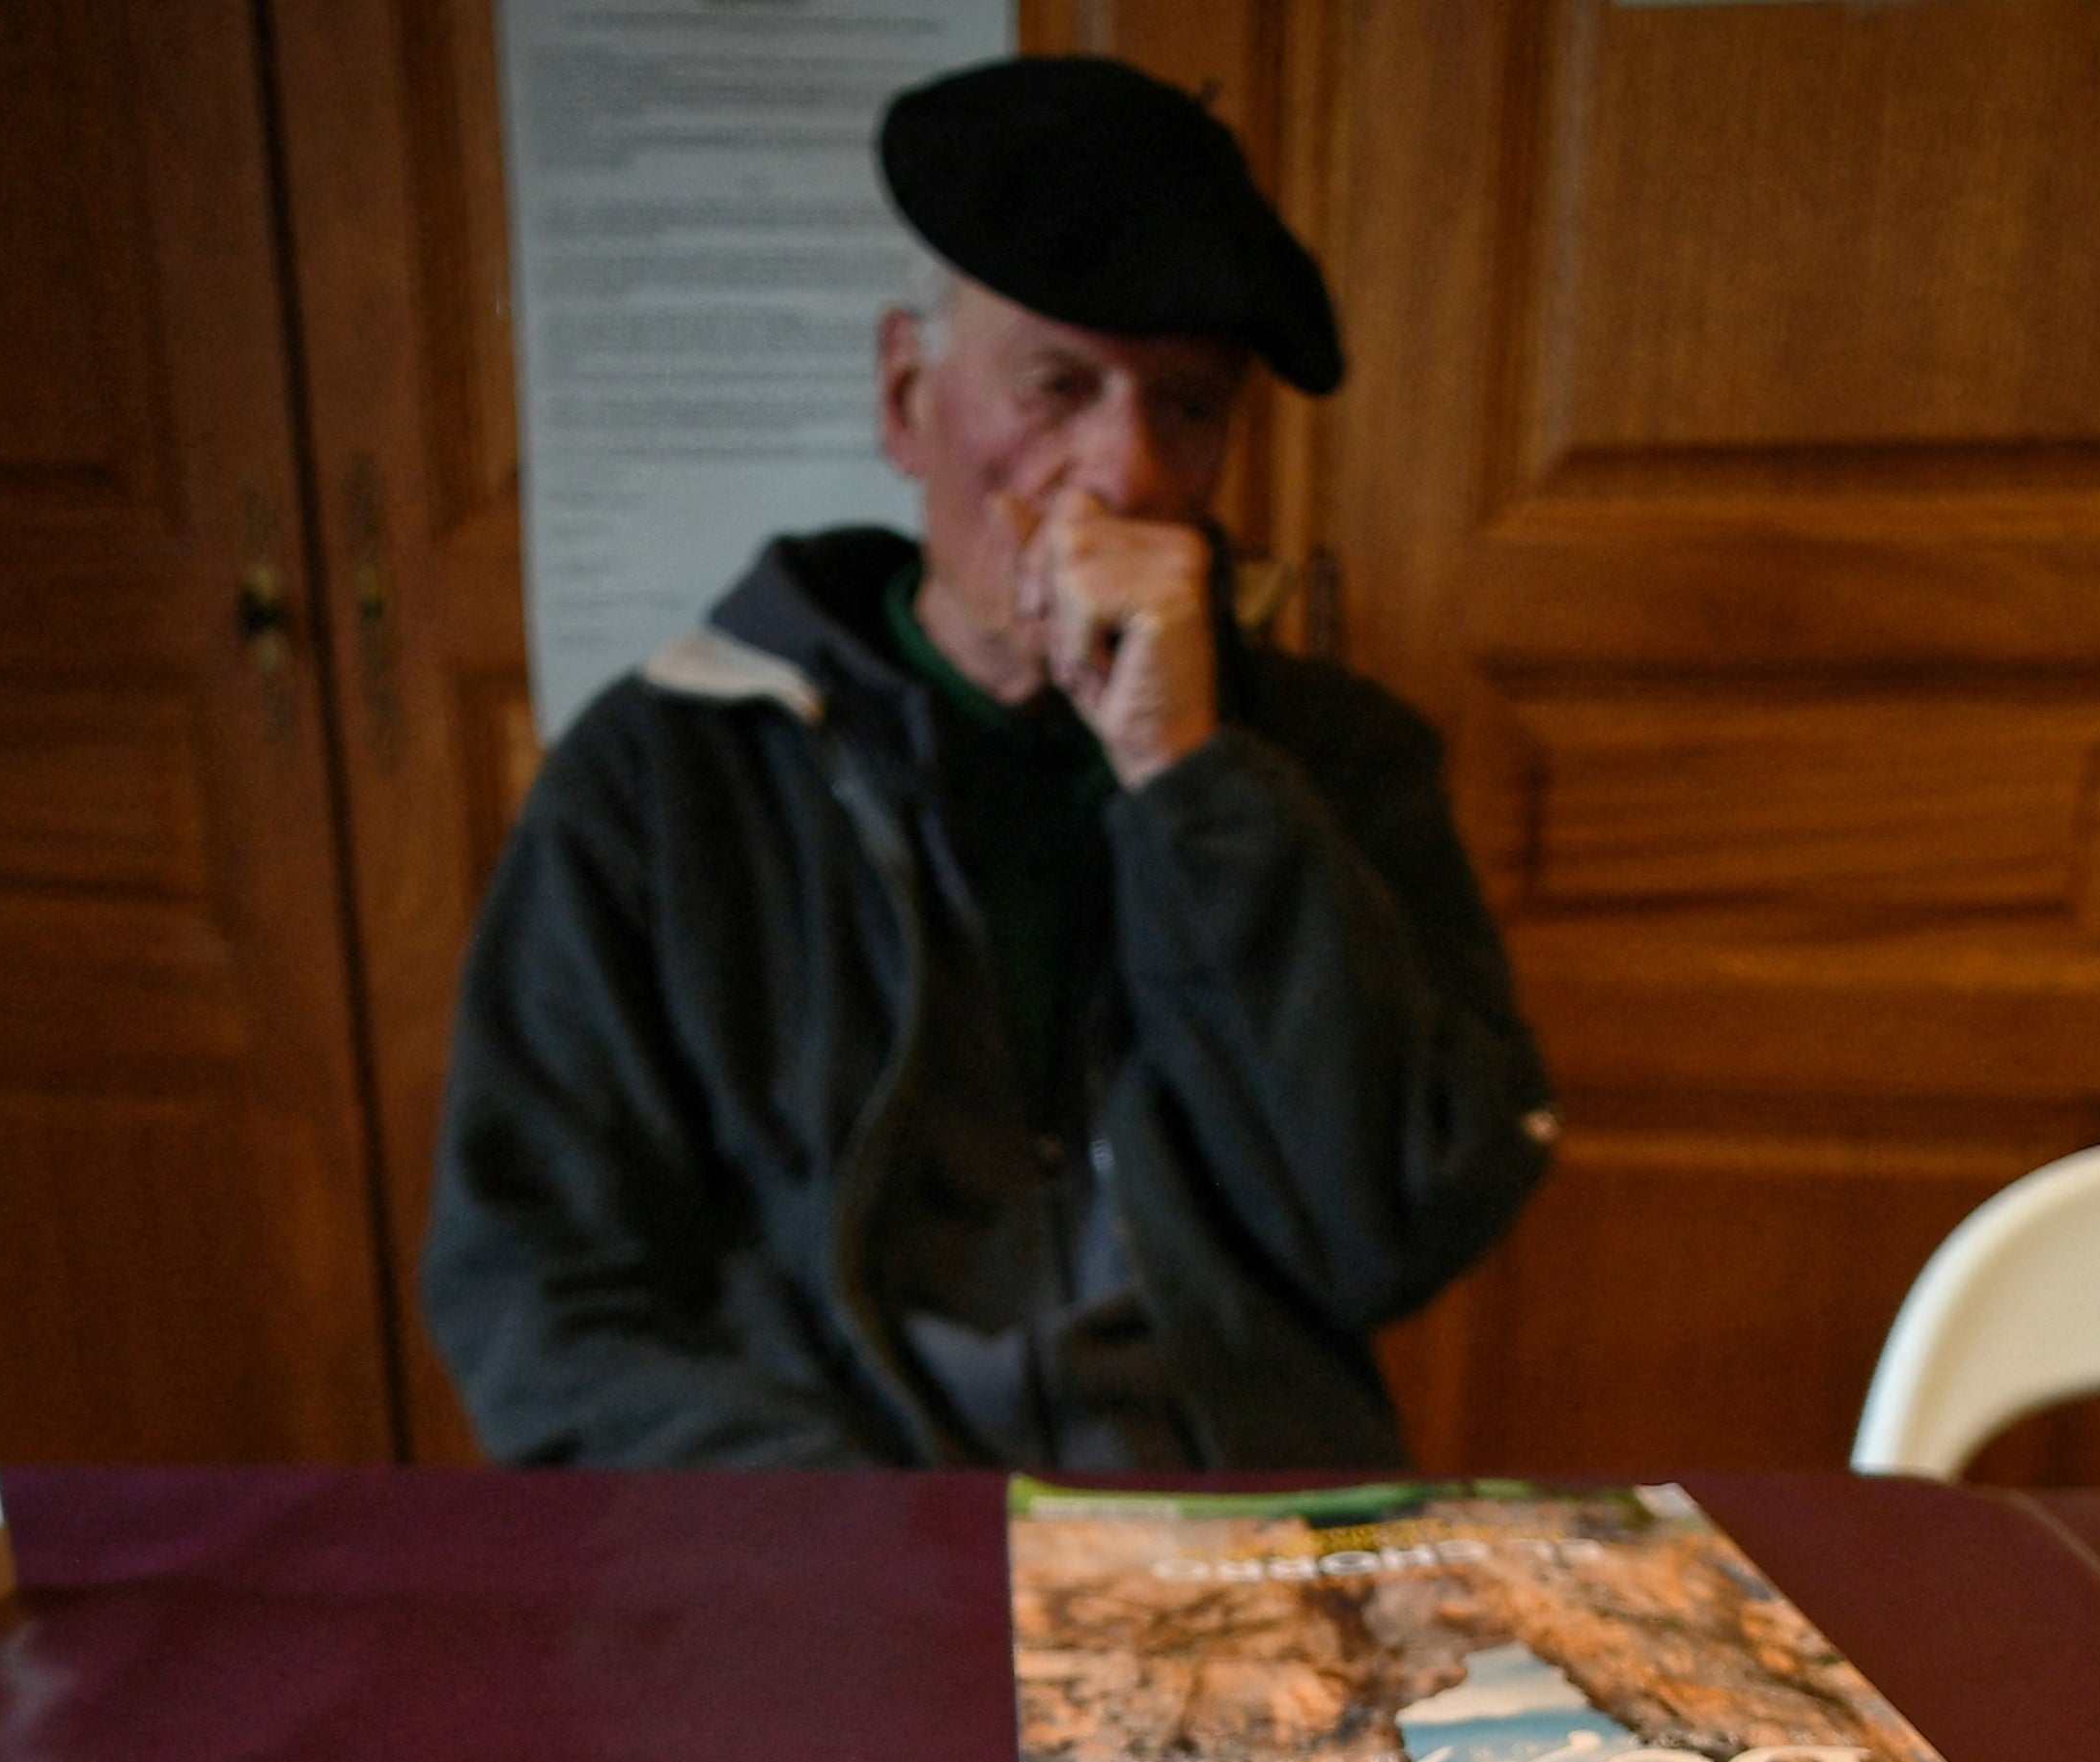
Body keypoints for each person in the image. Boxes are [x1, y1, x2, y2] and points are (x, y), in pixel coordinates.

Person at [424, 53, 1555, 1469]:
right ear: (906, 401)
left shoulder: (1333, 762)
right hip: (818, 1545)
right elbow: (538, 1287)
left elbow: (1401, 1221)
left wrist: (1190, 779)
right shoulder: (661, 777)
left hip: (1221, 1529)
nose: (1124, 472)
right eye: (1058, 384)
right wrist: (848, 1556)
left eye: (1188, 406)